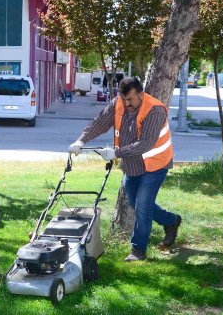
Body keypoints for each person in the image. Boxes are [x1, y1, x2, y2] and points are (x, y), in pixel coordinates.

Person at [68, 77, 182, 262]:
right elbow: (101, 122)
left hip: (155, 164)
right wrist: (81, 140)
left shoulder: (155, 110)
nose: (127, 103)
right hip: (132, 164)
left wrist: (116, 153)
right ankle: (171, 221)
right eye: (124, 99)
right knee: (136, 203)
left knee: (143, 206)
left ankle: (138, 250)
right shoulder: (119, 103)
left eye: (130, 99)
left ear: (141, 94)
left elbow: (145, 144)